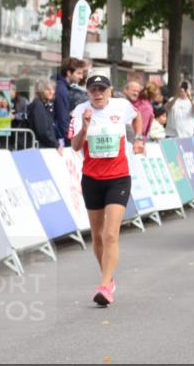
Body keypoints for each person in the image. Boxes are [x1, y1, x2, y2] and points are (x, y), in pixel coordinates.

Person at [70, 74, 144, 307]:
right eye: (93, 90)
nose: (98, 94)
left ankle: (104, 287)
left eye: (102, 89)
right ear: (88, 92)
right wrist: (84, 127)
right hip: (91, 178)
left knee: (111, 234)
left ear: (110, 91)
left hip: (119, 178)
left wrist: (139, 138)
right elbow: (74, 146)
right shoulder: (80, 110)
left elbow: (137, 116)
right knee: (97, 235)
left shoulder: (121, 106)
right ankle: (109, 279)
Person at [53, 57, 87, 146]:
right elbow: (62, 118)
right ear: (68, 73)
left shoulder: (62, 88)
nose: (81, 77)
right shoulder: (62, 90)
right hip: (62, 139)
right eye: (78, 73)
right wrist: (69, 140)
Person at [27, 79, 58, 148]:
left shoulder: (44, 105)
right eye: (47, 89)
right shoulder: (38, 105)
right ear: (41, 91)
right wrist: (56, 144)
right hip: (40, 147)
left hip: (42, 146)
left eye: (53, 89)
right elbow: (43, 131)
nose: (51, 92)